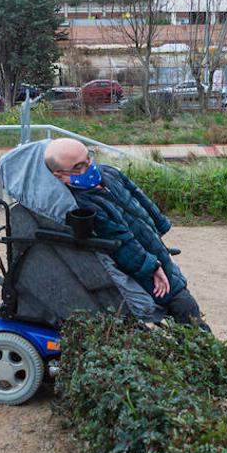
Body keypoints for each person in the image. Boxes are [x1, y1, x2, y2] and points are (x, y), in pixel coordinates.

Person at [44, 137, 208, 328]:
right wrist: (152, 267)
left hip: (152, 246)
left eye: (89, 158)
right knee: (181, 303)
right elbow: (121, 242)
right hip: (141, 263)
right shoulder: (84, 206)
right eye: (79, 166)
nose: (90, 167)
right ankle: (203, 349)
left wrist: (160, 226)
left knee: (180, 295)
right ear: (60, 176)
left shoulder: (108, 172)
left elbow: (140, 197)